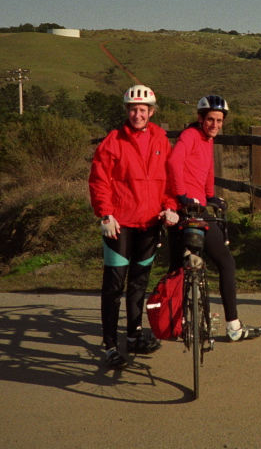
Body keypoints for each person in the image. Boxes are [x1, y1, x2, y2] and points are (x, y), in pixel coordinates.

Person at [89, 85, 179, 368]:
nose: (137, 114)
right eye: (132, 110)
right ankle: (110, 346)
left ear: (151, 112)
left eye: (142, 110)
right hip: (120, 224)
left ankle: (134, 336)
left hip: (150, 223)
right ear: (126, 111)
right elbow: (99, 180)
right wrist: (105, 214)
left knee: (139, 284)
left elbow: (168, 180)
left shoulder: (161, 140)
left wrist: (170, 207)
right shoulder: (113, 141)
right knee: (114, 286)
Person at [166, 95, 261, 342]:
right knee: (226, 262)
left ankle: (176, 323)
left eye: (219, 121)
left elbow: (208, 170)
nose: (215, 125)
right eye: (210, 119)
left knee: (177, 267)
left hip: (187, 207)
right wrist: (182, 195)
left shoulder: (207, 140)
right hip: (189, 208)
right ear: (200, 118)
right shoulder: (191, 135)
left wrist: (211, 195)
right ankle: (233, 327)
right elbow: (174, 161)